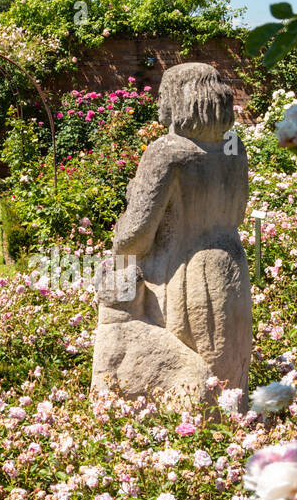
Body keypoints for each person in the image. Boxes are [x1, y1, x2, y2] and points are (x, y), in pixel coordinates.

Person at [91, 62, 252, 406]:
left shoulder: (167, 153)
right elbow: (237, 214)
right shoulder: (234, 148)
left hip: (185, 273)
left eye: (163, 94)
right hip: (232, 268)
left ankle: (187, 447)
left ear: (179, 98)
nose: (159, 103)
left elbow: (133, 237)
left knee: (192, 386)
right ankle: (232, 441)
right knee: (230, 374)